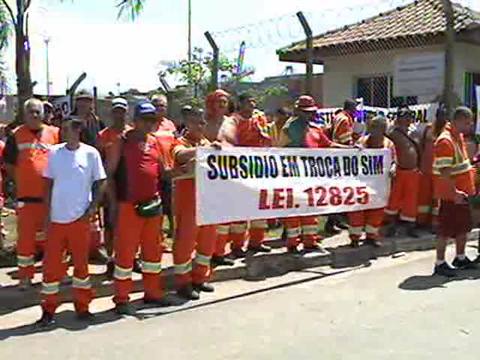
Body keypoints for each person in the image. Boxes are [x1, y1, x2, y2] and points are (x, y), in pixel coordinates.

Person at [37, 117, 107, 327]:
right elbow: (48, 185)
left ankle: (83, 307)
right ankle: (48, 310)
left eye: (72, 129)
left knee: (81, 267)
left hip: (80, 219)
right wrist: (47, 215)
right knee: (51, 268)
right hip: (57, 219)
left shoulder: (90, 153)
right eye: (65, 129)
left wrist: (93, 206)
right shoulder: (54, 153)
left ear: (79, 131)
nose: (68, 132)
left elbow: (100, 181)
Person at [108, 101, 172, 315]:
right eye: (145, 119)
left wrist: (194, 163)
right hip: (128, 206)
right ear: (134, 121)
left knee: (153, 253)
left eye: (152, 119)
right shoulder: (121, 142)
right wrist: (114, 205)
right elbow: (109, 176)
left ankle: (153, 293)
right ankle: (122, 298)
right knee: (125, 255)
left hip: (153, 205)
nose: (149, 123)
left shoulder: (154, 142)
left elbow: (164, 172)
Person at [4, 98, 60, 290]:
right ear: (24, 114)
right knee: (26, 240)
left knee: (52, 238)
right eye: (31, 112)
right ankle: (25, 277)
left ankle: (54, 274)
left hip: (50, 198)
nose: (35, 115)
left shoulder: (54, 133)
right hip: (26, 198)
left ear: (43, 113)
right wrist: (23, 179)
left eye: (38, 112)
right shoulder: (15, 135)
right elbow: (9, 165)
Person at [216, 93, 273, 259]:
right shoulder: (233, 120)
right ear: (240, 104)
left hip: (259, 169)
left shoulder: (259, 119)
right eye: (249, 102)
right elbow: (229, 142)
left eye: (254, 101)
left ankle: (257, 242)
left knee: (259, 208)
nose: (253, 105)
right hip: (240, 169)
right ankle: (237, 245)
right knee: (240, 209)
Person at [172, 107, 219, 300]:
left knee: (207, 239)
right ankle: (183, 282)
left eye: (202, 122)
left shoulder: (208, 143)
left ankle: (200, 277)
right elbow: (180, 156)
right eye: (196, 122)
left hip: (206, 198)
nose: (200, 126)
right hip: (187, 197)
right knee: (185, 240)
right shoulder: (179, 142)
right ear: (187, 124)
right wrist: (203, 151)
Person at [432, 107, 477, 277]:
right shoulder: (445, 141)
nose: (470, 125)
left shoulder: (457, 136)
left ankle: (460, 257)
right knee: (445, 230)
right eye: (467, 122)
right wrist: (455, 192)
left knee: (462, 228)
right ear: (457, 120)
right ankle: (440, 262)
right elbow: (444, 172)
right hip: (451, 195)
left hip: (462, 193)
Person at [278, 95, 324, 253]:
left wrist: (351, 150)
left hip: (311, 174)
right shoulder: (290, 127)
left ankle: (310, 241)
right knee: (294, 207)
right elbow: (286, 148)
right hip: (293, 174)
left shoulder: (314, 128)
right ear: (298, 111)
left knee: (310, 207)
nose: (309, 115)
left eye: (311, 112)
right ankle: (292, 243)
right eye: (305, 112)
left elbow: (328, 144)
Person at [347, 116, 395, 248]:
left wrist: (393, 168)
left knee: (377, 210)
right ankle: (355, 238)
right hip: (362, 184)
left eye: (377, 127)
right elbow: (352, 157)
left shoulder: (388, 144)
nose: (373, 130)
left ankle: (371, 236)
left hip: (379, 184)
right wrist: (355, 150)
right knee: (357, 210)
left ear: (383, 129)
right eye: (372, 127)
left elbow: (394, 160)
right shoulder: (362, 142)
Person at [96, 98, 131, 276]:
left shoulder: (132, 133)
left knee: (130, 223)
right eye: (116, 111)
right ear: (112, 113)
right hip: (111, 183)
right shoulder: (103, 135)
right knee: (110, 223)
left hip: (130, 184)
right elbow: (99, 162)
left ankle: (131, 257)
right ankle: (111, 259)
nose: (119, 114)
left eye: (122, 110)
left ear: (126, 112)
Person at [205, 89, 236, 267]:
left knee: (225, 217)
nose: (222, 105)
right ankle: (206, 252)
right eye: (219, 101)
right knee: (210, 218)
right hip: (209, 177)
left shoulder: (232, 122)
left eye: (225, 102)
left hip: (228, 174)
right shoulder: (204, 122)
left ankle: (220, 252)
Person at [384, 106, 420, 238]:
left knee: (411, 200)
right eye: (404, 117)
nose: (407, 120)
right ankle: (391, 226)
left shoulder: (414, 133)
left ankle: (410, 227)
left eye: (409, 117)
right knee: (395, 199)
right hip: (399, 171)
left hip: (414, 172)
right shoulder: (392, 133)